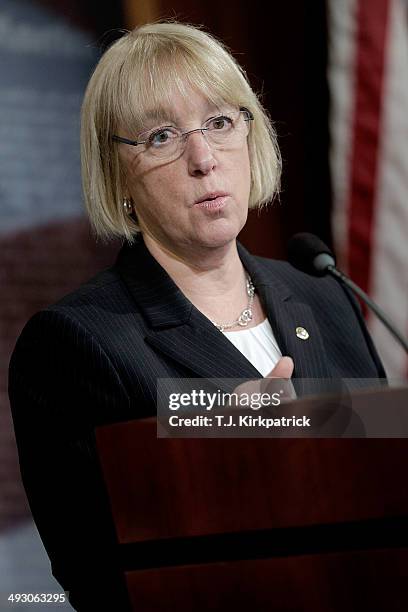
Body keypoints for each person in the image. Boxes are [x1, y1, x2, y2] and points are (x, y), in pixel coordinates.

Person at [8, 21, 385, 611]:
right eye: (161, 136)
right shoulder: (77, 342)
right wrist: (230, 451)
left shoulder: (322, 293)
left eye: (219, 122)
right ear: (117, 173)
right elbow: (96, 576)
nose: (204, 159)